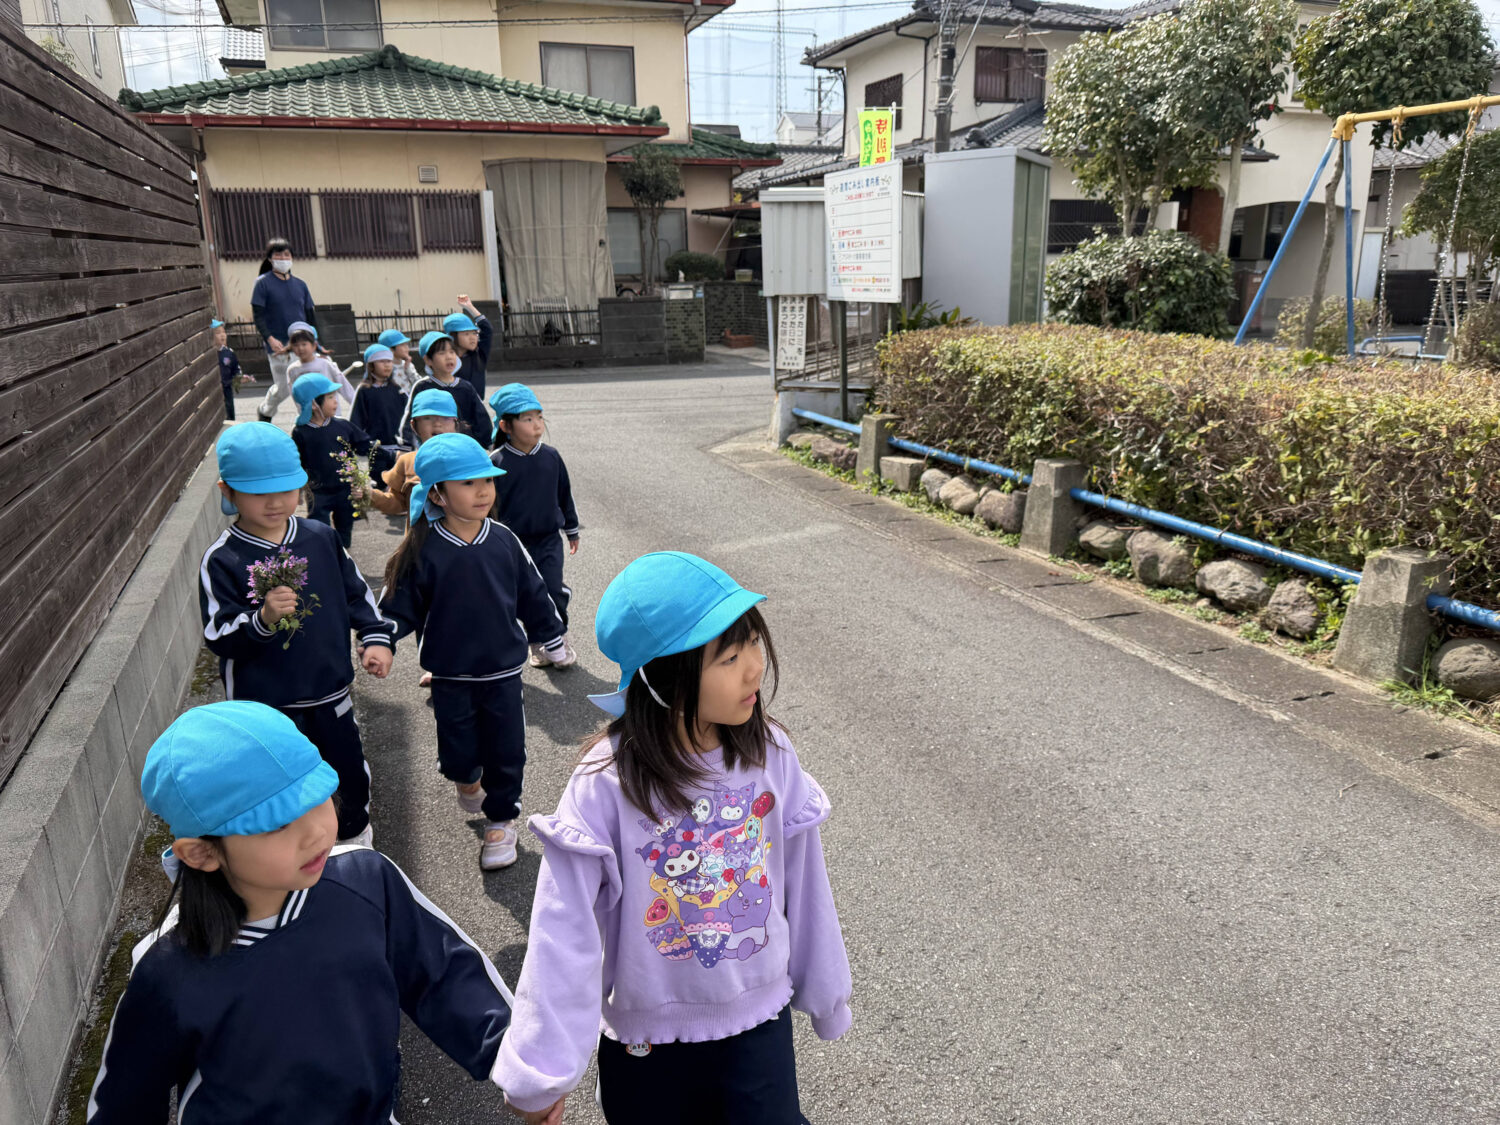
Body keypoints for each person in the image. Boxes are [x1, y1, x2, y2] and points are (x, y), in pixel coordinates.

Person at [492, 552, 852, 1125]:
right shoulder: (606, 782)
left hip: (758, 1023)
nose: (755, 668)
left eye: (752, 643)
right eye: (729, 657)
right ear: (666, 677)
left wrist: (827, 993)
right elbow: (563, 928)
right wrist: (541, 1068)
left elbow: (805, 882)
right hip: (647, 1045)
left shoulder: (769, 753)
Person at [85, 700, 514, 1123]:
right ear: (201, 853)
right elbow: (124, 1103)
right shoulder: (166, 968)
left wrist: (522, 1066)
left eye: (317, 796)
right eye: (277, 823)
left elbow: (445, 974)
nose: (316, 832)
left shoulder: (365, 881)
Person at [378, 434, 567, 871]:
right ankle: (466, 780)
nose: (483, 491)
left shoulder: (504, 540)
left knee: (507, 750)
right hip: (450, 674)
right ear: (437, 495)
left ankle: (501, 822)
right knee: (459, 757)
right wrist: (381, 640)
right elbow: (396, 605)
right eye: (467, 483)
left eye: (487, 480)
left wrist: (550, 635)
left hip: (503, 672)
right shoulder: (423, 548)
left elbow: (534, 594)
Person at [200, 423, 392, 845]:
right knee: (277, 788)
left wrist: (375, 636)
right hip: (265, 707)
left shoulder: (320, 538)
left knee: (347, 776)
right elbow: (218, 633)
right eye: (257, 493)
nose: (275, 502)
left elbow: (356, 593)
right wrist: (262, 619)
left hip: (330, 693)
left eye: (286, 489)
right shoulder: (223, 559)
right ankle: (292, 860)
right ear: (228, 492)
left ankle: (354, 847)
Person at [489, 383, 580, 668]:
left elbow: (564, 494)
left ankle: (558, 636)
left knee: (551, 589)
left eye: (539, 417)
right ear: (506, 426)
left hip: (549, 539)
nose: (537, 424)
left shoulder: (551, 456)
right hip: (514, 545)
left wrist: (572, 529)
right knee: (524, 595)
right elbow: (488, 506)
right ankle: (537, 642)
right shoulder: (495, 462)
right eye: (527, 419)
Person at [292, 374, 372, 551]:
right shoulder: (300, 432)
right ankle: (326, 557)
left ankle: (343, 556)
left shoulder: (343, 426)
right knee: (319, 531)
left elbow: (365, 445)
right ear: (314, 404)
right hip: (317, 492)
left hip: (345, 489)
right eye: (330, 397)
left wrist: (391, 456)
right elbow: (297, 463)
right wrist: (297, 490)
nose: (336, 401)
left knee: (345, 530)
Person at [251, 237, 316, 422]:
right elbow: (258, 316)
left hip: (302, 343)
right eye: (278, 255)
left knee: (304, 382)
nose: (283, 258)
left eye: (286, 254)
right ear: (270, 258)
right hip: (278, 346)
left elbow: (310, 315)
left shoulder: (301, 285)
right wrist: (270, 339)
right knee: (284, 387)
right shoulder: (262, 283)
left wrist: (316, 341)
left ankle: (309, 421)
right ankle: (266, 410)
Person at [369, 388, 455, 522]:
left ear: (455, 423)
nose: (437, 423)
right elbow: (398, 503)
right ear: (414, 425)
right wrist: (371, 495)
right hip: (419, 535)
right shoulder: (407, 461)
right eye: (427, 418)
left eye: (445, 418)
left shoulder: (470, 458)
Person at [396, 330, 489, 447]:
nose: (449, 357)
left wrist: (485, 444)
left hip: (462, 447)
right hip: (431, 447)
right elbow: (409, 419)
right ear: (428, 360)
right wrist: (406, 446)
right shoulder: (422, 387)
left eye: (452, 352)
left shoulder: (466, 387)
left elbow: (481, 418)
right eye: (442, 353)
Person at [350, 343, 408, 487]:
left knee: (401, 485)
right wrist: (362, 444)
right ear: (371, 366)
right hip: (377, 449)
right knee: (380, 485)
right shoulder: (364, 391)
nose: (387, 365)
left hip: (399, 448)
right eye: (382, 361)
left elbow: (408, 416)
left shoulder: (398, 389)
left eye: (389, 361)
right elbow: (356, 422)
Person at [285, 321, 356, 405]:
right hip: (308, 412)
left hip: (331, 411)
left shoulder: (326, 364)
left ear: (314, 346)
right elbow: (295, 395)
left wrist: (356, 406)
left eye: (304, 344)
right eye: (296, 345)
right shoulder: (292, 370)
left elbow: (345, 387)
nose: (300, 348)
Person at [445, 295, 493, 399]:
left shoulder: (479, 355)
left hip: (476, 406)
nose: (472, 338)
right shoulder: (446, 360)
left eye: (474, 333)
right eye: (466, 334)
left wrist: (470, 307)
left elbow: (487, 330)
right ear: (453, 336)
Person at [213, 318, 240, 422]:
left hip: (227, 388)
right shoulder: (210, 355)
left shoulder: (229, 353)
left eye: (223, 332)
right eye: (218, 333)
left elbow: (236, 369)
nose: (222, 335)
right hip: (214, 390)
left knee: (229, 413)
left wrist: (239, 378)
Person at [378, 328, 420, 393]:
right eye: (402, 345)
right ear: (391, 349)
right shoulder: (386, 368)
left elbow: (419, 384)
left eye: (406, 344)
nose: (406, 348)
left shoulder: (408, 365)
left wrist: (408, 369)